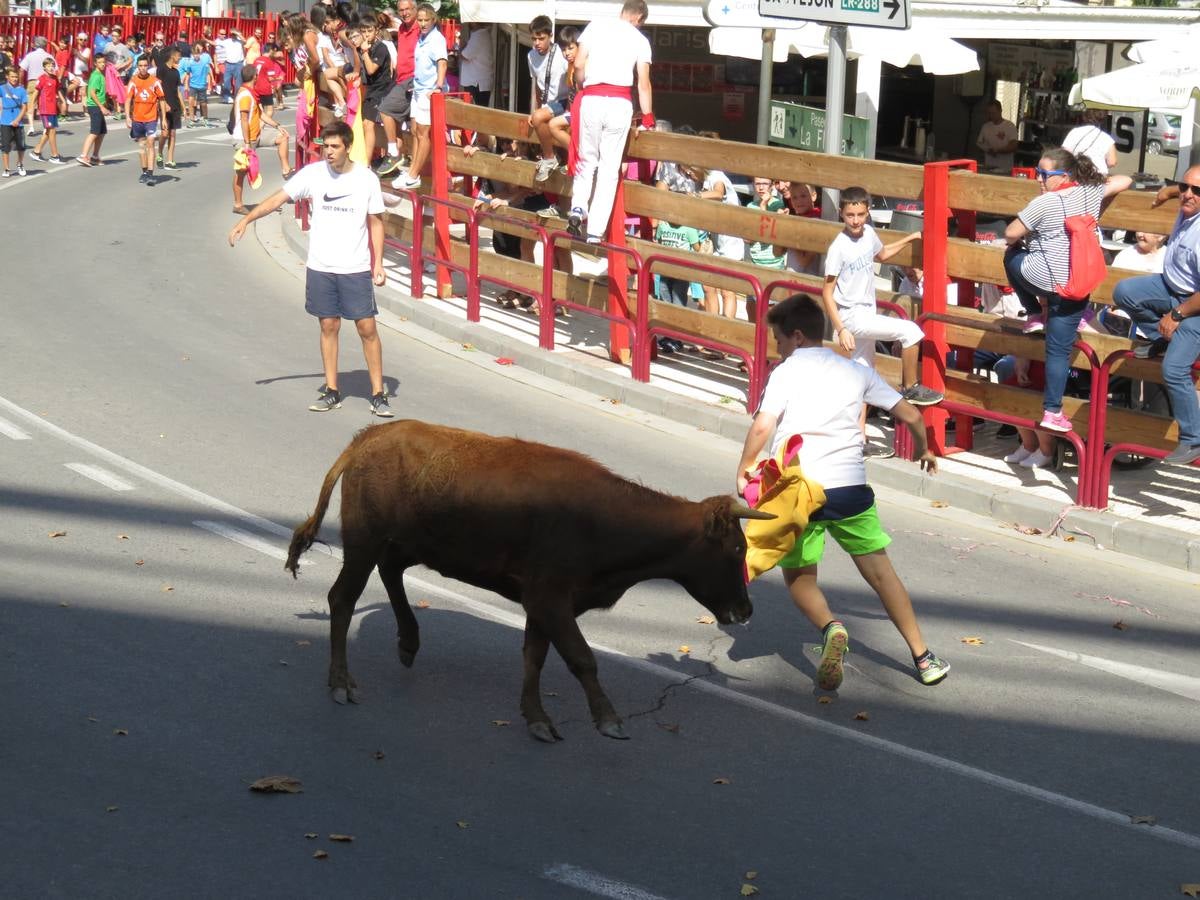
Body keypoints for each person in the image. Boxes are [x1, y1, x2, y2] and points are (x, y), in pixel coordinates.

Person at [735, 293, 950, 690]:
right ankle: (924, 658)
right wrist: (924, 449)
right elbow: (912, 414)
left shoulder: (786, 371)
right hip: (849, 488)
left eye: (779, 340)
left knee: (799, 576)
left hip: (800, 490)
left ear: (797, 337)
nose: (779, 348)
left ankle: (831, 628)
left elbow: (764, 424)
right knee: (884, 577)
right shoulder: (855, 371)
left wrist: (745, 466)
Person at [229, 120, 392, 417]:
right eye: (324, 146)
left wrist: (377, 262)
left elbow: (377, 222)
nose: (327, 152)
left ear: (347, 146)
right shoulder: (313, 174)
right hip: (321, 266)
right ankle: (332, 390)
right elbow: (278, 198)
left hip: (354, 267)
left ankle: (378, 393)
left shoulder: (366, 179)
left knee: (367, 328)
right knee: (328, 326)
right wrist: (246, 220)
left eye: (334, 147)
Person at [1003, 147, 1131, 464]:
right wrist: (1098, 186)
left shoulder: (1044, 202)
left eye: (1045, 174)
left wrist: (1027, 238)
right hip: (1078, 285)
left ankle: (1033, 312)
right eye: (1037, 173)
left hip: (1043, 281)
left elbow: (1010, 233)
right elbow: (1125, 180)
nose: (1039, 180)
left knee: (1011, 257)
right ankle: (1052, 411)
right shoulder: (1090, 192)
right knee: (1058, 351)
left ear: (1064, 175)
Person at [823, 186, 945, 411]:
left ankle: (859, 438)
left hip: (867, 310)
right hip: (851, 316)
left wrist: (910, 238)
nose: (856, 220)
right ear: (841, 213)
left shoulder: (869, 233)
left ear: (868, 211)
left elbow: (883, 254)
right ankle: (910, 386)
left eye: (860, 215)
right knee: (911, 332)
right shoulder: (838, 248)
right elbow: (827, 292)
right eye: (850, 215)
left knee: (862, 375)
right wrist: (840, 328)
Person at [1112, 167, 1200, 467]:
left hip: (1195, 307)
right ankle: (1159, 339)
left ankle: (1193, 437)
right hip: (1170, 287)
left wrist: (1176, 314)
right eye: (1184, 187)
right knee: (1125, 291)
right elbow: (1182, 190)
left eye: (1196, 191)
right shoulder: (1186, 200)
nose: (1188, 194)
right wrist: (1166, 191)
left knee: (1174, 370)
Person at [567, 0, 654, 244]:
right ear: (639, 18)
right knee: (609, 167)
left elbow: (580, 65)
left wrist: (584, 84)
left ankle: (577, 207)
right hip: (619, 102)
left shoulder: (595, 26)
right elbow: (643, 83)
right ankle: (595, 230)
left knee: (587, 159)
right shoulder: (640, 40)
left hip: (592, 98)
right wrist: (647, 117)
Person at [395, 3, 446, 190]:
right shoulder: (422, 38)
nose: (423, 23)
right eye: (421, 20)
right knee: (415, 130)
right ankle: (412, 171)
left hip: (429, 91)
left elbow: (442, 63)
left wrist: (438, 87)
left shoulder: (436, 39)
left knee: (424, 133)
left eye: (426, 20)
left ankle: (414, 174)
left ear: (433, 20)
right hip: (418, 89)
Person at [231, 63, 292, 214]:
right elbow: (244, 119)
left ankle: (286, 169)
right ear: (255, 77)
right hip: (244, 139)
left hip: (255, 135)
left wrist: (277, 126)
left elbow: (261, 114)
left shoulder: (250, 93)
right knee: (241, 171)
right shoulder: (245, 95)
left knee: (282, 138)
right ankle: (238, 205)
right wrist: (246, 143)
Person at [376, 0, 419, 176]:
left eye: (408, 9)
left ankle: (396, 155)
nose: (404, 12)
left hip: (413, 80)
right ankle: (395, 160)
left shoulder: (420, 28)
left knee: (387, 110)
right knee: (400, 122)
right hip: (401, 79)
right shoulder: (402, 28)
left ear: (415, 10)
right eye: (401, 10)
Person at [526, 15, 570, 182]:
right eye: (534, 39)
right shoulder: (531, 56)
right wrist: (535, 109)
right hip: (547, 104)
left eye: (541, 38)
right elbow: (537, 86)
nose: (537, 43)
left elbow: (573, 79)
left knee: (538, 118)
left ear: (550, 36)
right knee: (536, 117)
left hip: (563, 101)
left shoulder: (561, 52)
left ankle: (549, 157)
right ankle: (552, 157)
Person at [652, 216, 705, 353]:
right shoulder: (663, 225)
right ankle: (669, 336)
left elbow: (697, 248)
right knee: (666, 303)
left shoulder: (689, 229)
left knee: (678, 304)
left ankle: (676, 338)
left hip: (682, 272)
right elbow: (658, 241)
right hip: (664, 270)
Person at [350, 14, 391, 163]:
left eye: (370, 31)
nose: (367, 34)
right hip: (371, 89)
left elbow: (371, 69)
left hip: (382, 89)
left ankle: (367, 163)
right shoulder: (363, 47)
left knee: (369, 124)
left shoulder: (380, 48)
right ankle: (369, 159)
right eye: (364, 31)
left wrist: (365, 52)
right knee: (367, 124)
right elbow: (364, 70)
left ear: (376, 31)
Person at [124, 55, 166, 185]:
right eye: (140, 66)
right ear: (137, 66)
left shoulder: (155, 81)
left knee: (151, 143)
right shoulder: (133, 81)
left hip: (151, 118)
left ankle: (151, 173)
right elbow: (128, 100)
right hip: (137, 118)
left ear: (148, 66)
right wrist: (127, 117)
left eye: (145, 66)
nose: (143, 68)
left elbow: (162, 100)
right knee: (141, 146)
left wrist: (163, 118)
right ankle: (144, 172)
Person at [29, 58, 65, 164]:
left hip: (53, 109)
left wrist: (63, 101)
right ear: (44, 67)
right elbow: (36, 92)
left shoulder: (55, 78)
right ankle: (54, 155)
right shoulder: (42, 78)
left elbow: (58, 90)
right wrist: (31, 105)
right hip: (45, 109)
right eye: (48, 66)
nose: (51, 68)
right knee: (52, 131)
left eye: (52, 65)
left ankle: (36, 151)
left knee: (49, 131)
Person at [1062, 109, 1118, 176]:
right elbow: (1112, 162)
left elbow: (1064, 154)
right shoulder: (1107, 138)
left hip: (1076, 174)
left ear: (1084, 117)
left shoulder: (1074, 132)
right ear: (1103, 118)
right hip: (1098, 177)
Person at [155, 48, 185, 169]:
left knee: (173, 134)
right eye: (179, 57)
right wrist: (163, 103)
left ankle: (170, 160)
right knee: (165, 133)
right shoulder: (161, 68)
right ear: (173, 56)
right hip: (164, 105)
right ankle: (160, 153)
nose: (180, 59)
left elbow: (178, 91)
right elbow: (158, 87)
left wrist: (183, 106)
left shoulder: (176, 72)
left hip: (175, 106)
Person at [78, 52, 108, 167]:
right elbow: (92, 93)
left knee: (102, 131)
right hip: (94, 106)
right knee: (94, 132)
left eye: (104, 62)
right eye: (100, 63)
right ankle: (84, 155)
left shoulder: (101, 75)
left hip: (98, 106)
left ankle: (95, 156)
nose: (102, 64)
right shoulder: (96, 75)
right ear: (95, 64)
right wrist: (101, 106)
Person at [976, 99, 1018, 174]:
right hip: (989, 168)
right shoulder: (985, 127)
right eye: (989, 113)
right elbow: (980, 143)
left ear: (1000, 111)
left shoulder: (1010, 126)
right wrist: (987, 150)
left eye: (993, 113)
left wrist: (998, 151)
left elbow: (1013, 146)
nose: (991, 116)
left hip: (1005, 169)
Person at [0, 66, 29, 177]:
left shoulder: (22, 90)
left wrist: (17, 120)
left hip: (18, 122)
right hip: (5, 121)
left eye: (16, 77)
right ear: (7, 77)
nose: (15, 79)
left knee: (21, 146)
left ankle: (20, 164)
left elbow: (24, 107)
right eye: (12, 77)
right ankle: (7, 168)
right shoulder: (2, 88)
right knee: (5, 146)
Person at [19, 36, 50, 134]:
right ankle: (45, 127)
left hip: (32, 81)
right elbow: (55, 70)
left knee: (31, 104)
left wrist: (20, 83)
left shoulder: (30, 56)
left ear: (34, 44)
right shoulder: (48, 56)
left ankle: (31, 127)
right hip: (45, 81)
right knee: (43, 105)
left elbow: (21, 69)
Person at [457, 23, 493, 108]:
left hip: (476, 83)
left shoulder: (479, 35)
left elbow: (465, 55)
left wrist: (462, 47)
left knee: (477, 111)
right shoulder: (482, 35)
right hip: (478, 81)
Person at [181, 43, 214, 126]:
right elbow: (188, 74)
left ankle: (205, 118)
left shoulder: (204, 63)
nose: (196, 56)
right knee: (191, 103)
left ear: (200, 54)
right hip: (193, 86)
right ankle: (192, 119)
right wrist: (186, 85)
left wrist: (210, 84)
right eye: (194, 54)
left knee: (203, 104)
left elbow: (208, 73)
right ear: (192, 55)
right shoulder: (190, 63)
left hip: (202, 85)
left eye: (197, 54)